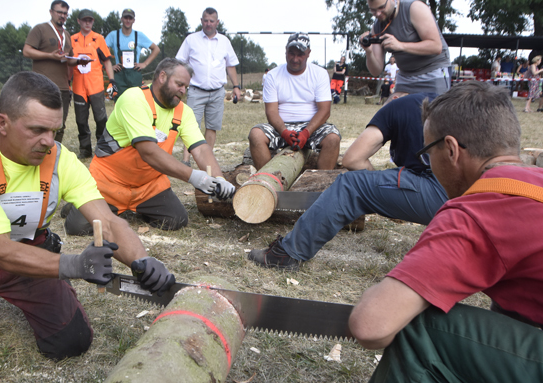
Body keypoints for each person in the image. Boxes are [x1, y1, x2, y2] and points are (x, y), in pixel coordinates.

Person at [0, 72, 175, 365]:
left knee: (71, 342)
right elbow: (0, 250)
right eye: (37, 129)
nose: (48, 141)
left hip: (33, 255)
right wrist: (74, 265)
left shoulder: (62, 159)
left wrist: (142, 260)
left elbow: (108, 220)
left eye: (54, 130)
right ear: (3, 124)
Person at [350, 80, 543, 383]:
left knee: (422, 331)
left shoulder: (480, 208)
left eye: (428, 153)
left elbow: (371, 325)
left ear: (451, 150)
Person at [248, 92, 447, 270]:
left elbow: (353, 159)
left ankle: (287, 254)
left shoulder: (398, 105)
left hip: (443, 192)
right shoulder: (448, 100)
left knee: (352, 186)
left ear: (393, 98)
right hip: (473, 195)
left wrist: (376, 185)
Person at [63, 58, 235, 235]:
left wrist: (219, 178)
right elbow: (148, 152)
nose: (183, 91)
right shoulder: (133, 99)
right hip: (109, 182)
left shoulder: (184, 112)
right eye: (179, 84)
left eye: (186, 87)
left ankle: (126, 208)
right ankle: (79, 203)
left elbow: (200, 148)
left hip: (148, 186)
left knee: (176, 220)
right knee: (77, 227)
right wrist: (193, 176)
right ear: (162, 76)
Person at [248, 33, 341, 171]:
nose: (295, 59)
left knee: (333, 138)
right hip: (281, 127)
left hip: (311, 127)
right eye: (291, 53)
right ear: (285, 50)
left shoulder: (319, 74)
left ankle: (322, 183)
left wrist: (306, 133)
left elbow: (324, 110)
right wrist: (284, 132)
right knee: (255, 134)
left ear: (308, 53)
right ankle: (269, 182)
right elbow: (271, 111)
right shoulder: (272, 76)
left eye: (300, 54)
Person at [176, 7, 241, 166]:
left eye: (212, 21)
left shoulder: (224, 41)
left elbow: (230, 66)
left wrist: (236, 86)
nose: (208, 23)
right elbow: (179, 63)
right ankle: (186, 160)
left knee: (212, 127)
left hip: (217, 92)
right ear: (201, 21)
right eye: (205, 20)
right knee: (190, 126)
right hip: (196, 91)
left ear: (217, 22)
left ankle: (207, 161)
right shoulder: (191, 40)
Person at [23, 1, 89, 143]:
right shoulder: (40, 29)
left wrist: (79, 61)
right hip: (42, 86)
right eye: (59, 12)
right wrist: (49, 56)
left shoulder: (66, 34)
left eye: (65, 13)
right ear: (51, 12)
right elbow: (27, 51)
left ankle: (54, 153)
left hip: (63, 87)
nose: (62, 16)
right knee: (41, 123)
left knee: (59, 125)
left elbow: (68, 59)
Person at [361, 0, 451, 100]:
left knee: (433, 114)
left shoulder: (415, 8)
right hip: (405, 76)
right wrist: (369, 52)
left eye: (382, 7)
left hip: (433, 72)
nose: (378, 13)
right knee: (390, 113)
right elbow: (376, 70)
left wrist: (400, 45)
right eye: (373, 10)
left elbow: (436, 46)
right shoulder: (378, 26)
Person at [70, 9, 115, 159]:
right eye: (84, 20)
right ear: (79, 21)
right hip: (78, 86)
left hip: (95, 85)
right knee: (81, 120)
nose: (87, 23)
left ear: (93, 22)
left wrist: (111, 80)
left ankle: (102, 147)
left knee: (101, 118)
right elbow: (67, 62)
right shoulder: (72, 39)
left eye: (90, 20)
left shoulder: (98, 38)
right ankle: (85, 149)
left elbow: (107, 60)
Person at [105, 8, 160, 100]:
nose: (128, 20)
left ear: (133, 20)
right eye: (125, 18)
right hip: (119, 77)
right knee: (120, 102)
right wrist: (110, 67)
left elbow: (156, 49)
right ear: (121, 19)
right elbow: (101, 52)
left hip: (135, 77)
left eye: (130, 18)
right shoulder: (113, 35)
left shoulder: (139, 35)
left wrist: (144, 64)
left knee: (136, 102)